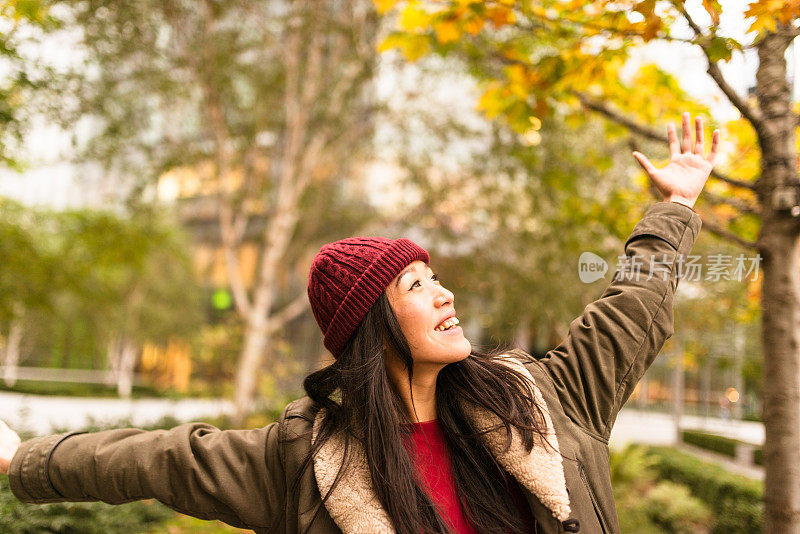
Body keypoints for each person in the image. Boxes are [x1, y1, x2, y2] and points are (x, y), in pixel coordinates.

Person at [0, 112, 718, 534]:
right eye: (416, 284)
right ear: (374, 325)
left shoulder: (541, 400)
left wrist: (674, 211)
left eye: (437, 277)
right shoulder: (304, 461)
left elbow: (631, 309)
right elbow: (157, 458)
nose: (446, 295)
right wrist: (17, 461)